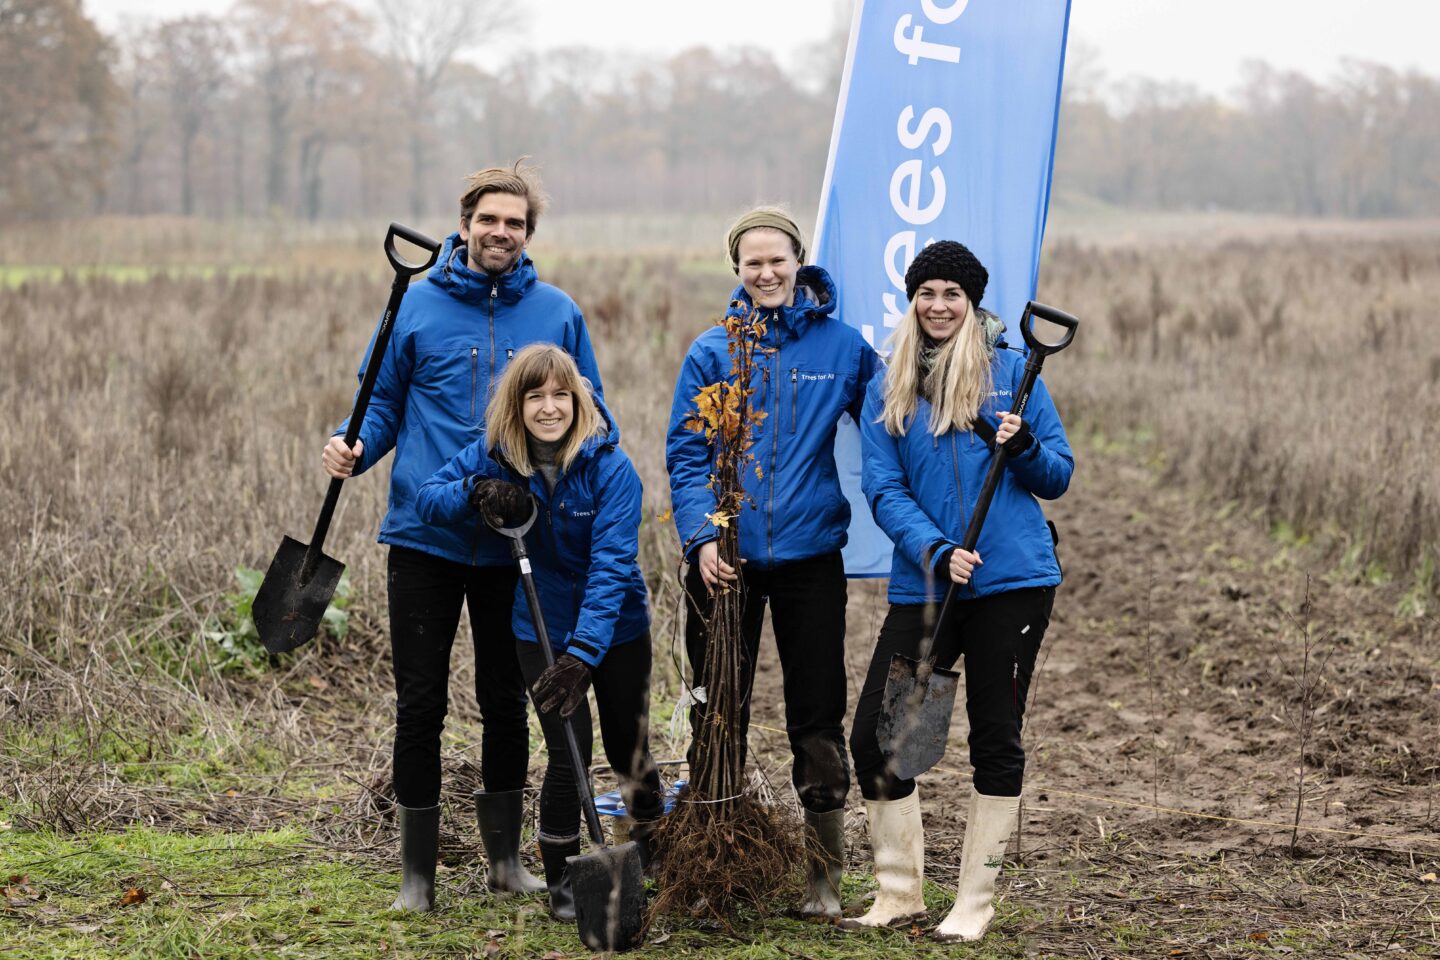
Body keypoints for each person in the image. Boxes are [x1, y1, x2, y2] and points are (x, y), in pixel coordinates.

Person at [320, 161, 603, 911]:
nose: (500, 232)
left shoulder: (556, 313)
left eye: (514, 222)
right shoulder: (414, 308)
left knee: (505, 700)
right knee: (421, 702)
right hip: (425, 535)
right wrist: (352, 444)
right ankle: (416, 879)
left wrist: (546, 486)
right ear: (465, 223)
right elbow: (378, 405)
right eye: (489, 219)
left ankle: (506, 863)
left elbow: (588, 415)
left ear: (528, 233)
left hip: (518, 541)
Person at [845, 241, 1072, 941]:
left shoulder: (1013, 375)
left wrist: (1025, 443)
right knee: (884, 741)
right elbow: (882, 488)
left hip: (1013, 584)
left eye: (952, 294)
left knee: (994, 738)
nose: (938, 305)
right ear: (912, 301)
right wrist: (937, 551)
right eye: (927, 292)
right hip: (929, 586)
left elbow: (1057, 475)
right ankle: (899, 893)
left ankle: (973, 903)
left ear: (972, 303)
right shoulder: (892, 384)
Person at [665, 207, 880, 917]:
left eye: (777, 260)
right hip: (724, 563)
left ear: (798, 261)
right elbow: (689, 454)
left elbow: (891, 419)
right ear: (737, 271)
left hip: (811, 558)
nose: (766, 272)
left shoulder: (842, 348)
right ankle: (711, 849)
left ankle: (823, 878)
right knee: (716, 708)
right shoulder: (713, 351)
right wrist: (703, 540)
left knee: (816, 716)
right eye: (752, 263)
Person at [416, 344, 664, 921]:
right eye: (535, 397)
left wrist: (584, 654)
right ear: (517, 404)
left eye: (560, 395)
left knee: (630, 747)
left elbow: (611, 568)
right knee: (567, 751)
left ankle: (651, 858)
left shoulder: (611, 469)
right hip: (540, 630)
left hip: (617, 628)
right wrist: (475, 492)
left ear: (577, 399)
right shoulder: (498, 455)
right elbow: (427, 498)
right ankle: (562, 885)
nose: (549, 408)